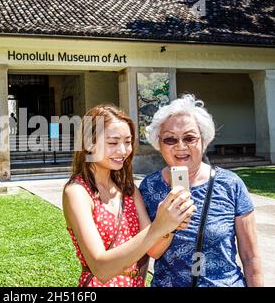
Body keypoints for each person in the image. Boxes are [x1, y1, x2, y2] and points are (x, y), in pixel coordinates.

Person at [63, 104, 197, 287]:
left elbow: (154, 250)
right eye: (112, 142)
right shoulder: (77, 192)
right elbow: (101, 269)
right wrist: (158, 226)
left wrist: (170, 224)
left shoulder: (128, 189)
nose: (123, 150)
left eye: (127, 141)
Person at [139, 94, 263, 287]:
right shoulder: (149, 187)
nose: (181, 146)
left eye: (189, 138)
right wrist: (169, 224)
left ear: (203, 141)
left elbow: (250, 256)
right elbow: (145, 251)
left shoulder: (230, 184)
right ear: (159, 144)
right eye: (170, 139)